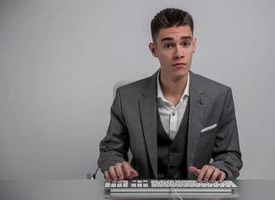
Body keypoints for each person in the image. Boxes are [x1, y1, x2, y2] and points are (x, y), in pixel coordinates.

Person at [98, 8, 242, 183]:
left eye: (185, 43)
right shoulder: (126, 97)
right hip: (143, 194)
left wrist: (219, 168)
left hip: (196, 193)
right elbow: (110, 150)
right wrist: (115, 164)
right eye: (168, 45)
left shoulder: (220, 96)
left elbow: (230, 154)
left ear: (194, 45)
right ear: (153, 49)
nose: (179, 53)